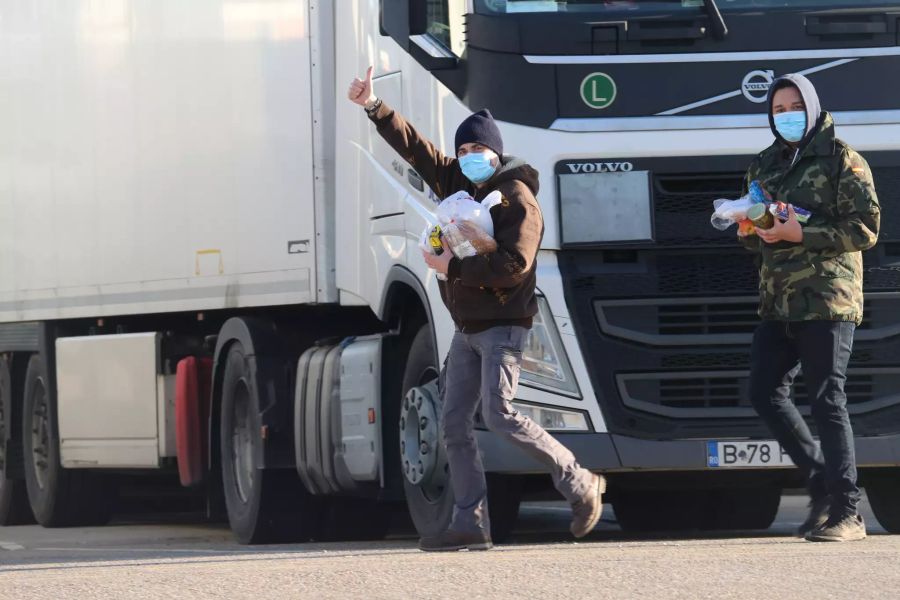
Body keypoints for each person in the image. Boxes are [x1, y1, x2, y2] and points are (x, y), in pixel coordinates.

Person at [348, 67, 604, 551]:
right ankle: (471, 521)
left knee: (500, 412)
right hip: (467, 328)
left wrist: (453, 267)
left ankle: (579, 481)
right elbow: (417, 150)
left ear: (496, 152)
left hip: (503, 326)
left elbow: (515, 265)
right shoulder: (458, 184)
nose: (468, 159)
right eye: (463, 151)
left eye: (477, 151)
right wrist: (374, 106)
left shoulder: (516, 200)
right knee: (452, 421)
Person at [739, 73, 880, 542]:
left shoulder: (844, 161)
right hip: (778, 301)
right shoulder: (764, 164)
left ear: (814, 108)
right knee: (764, 391)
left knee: (826, 398)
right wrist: (749, 231)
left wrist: (802, 232)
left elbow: (865, 229)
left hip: (828, 298)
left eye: (794, 106)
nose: (786, 116)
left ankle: (847, 512)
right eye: (778, 110)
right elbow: (762, 236)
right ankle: (820, 479)